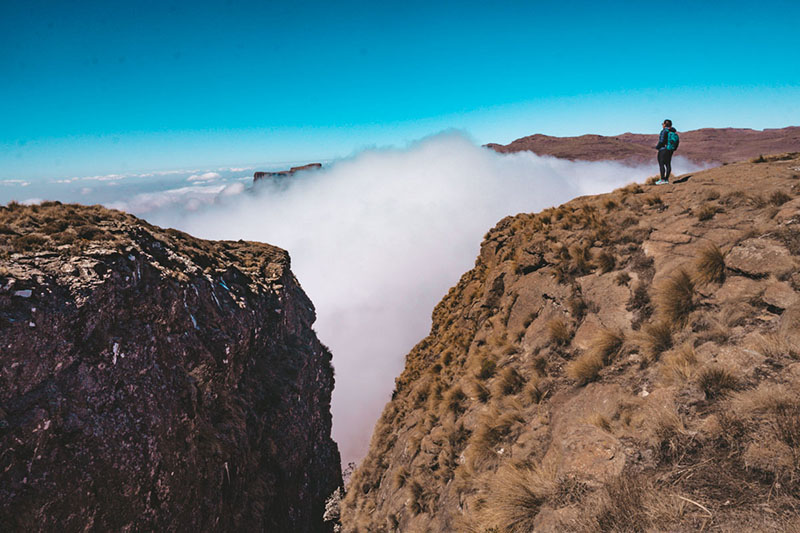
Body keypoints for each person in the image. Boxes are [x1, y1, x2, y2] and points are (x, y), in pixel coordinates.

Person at [654, 119, 677, 184]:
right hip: (670, 149)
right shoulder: (673, 131)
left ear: (664, 124)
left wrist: (657, 147)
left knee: (661, 164)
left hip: (663, 149)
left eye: (663, 124)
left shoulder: (664, 131)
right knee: (668, 164)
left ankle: (662, 180)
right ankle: (666, 179)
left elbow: (661, 141)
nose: (662, 125)